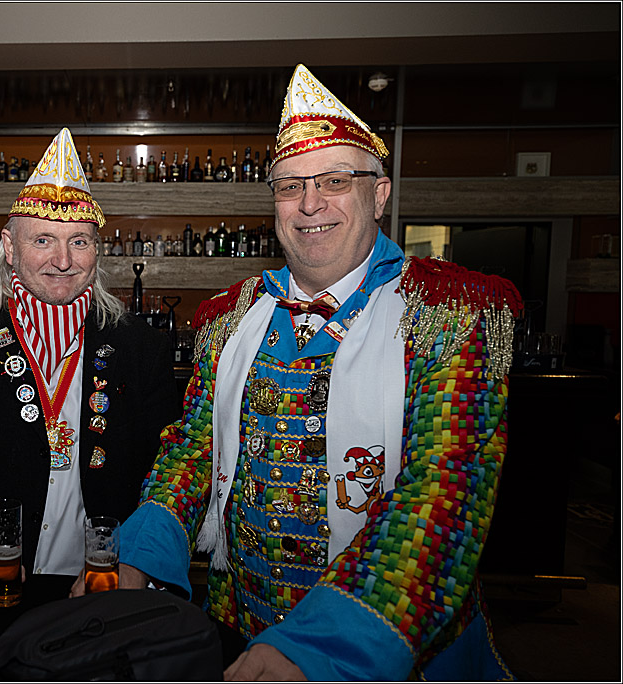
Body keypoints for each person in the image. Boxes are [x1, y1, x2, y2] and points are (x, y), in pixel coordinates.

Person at [99, 64, 523, 680]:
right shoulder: (230, 316)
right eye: (290, 185)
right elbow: (193, 452)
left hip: (391, 651)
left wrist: (320, 646)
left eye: (334, 180)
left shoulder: (452, 312)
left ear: (379, 193)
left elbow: (443, 499)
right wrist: (138, 559)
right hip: (243, 635)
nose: (310, 203)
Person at [0, 128, 179, 607]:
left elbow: (166, 475)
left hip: (102, 589)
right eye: (43, 239)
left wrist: (139, 564)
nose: (63, 261)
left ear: (97, 250)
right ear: (9, 246)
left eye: (78, 241)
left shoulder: (142, 347)